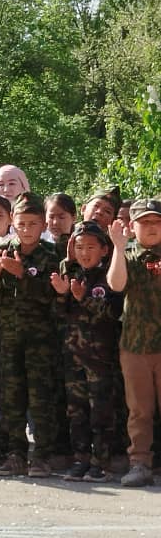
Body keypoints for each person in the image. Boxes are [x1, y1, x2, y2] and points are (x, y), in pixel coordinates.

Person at [0, 192, 59, 478]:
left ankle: (42, 455)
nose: (27, 229)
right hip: (8, 338)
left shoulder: (52, 255)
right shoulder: (3, 250)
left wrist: (23, 275)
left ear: (43, 225)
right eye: (22, 223)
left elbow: (53, 296)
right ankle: (14, 453)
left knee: (41, 398)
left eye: (33, 223)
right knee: (11, 398)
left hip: (40, 340)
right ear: (13, 223)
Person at [51, 220, 123, 482]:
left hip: (101, 359)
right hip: (73, 357)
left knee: (101, 412)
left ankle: (101, 462)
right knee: (77, 411)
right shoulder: (72, 274)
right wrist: (62, 294)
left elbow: (113, 313)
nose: (84, 253)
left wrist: (85, 298)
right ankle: (81, 458)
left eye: (91, 247)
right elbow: (58, 314)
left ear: (104, 249)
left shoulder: (110, 275)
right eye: (79, 247)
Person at [107, 198, 161, 487]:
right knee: (139, 410)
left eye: (157, 222)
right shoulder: (127, 256)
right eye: (145, 222)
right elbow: (116, 285)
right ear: (132, 226)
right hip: (135, 346)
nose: (151, 227)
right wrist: (118, 247)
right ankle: (140, 463)